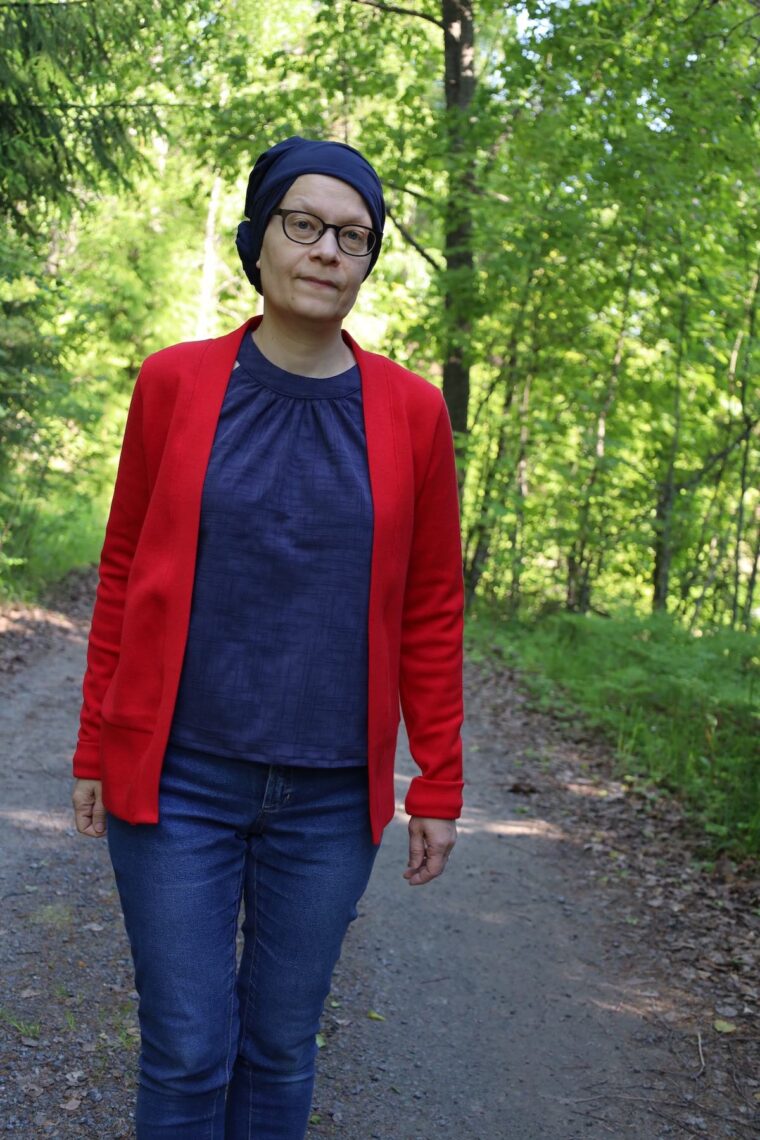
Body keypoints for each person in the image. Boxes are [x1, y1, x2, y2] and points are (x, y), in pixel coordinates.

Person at [71, 135, 465, 1139]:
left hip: (331, 796)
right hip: (179, 780)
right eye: (304, 224)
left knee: (281, 1046)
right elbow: (122, 573)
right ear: (258, 239)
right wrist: (92, 745)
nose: (328, 249)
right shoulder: (174, 384)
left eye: (353, 235)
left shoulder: (413, 415)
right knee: (188, 1047)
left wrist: (439, 781)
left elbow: (428, 605)